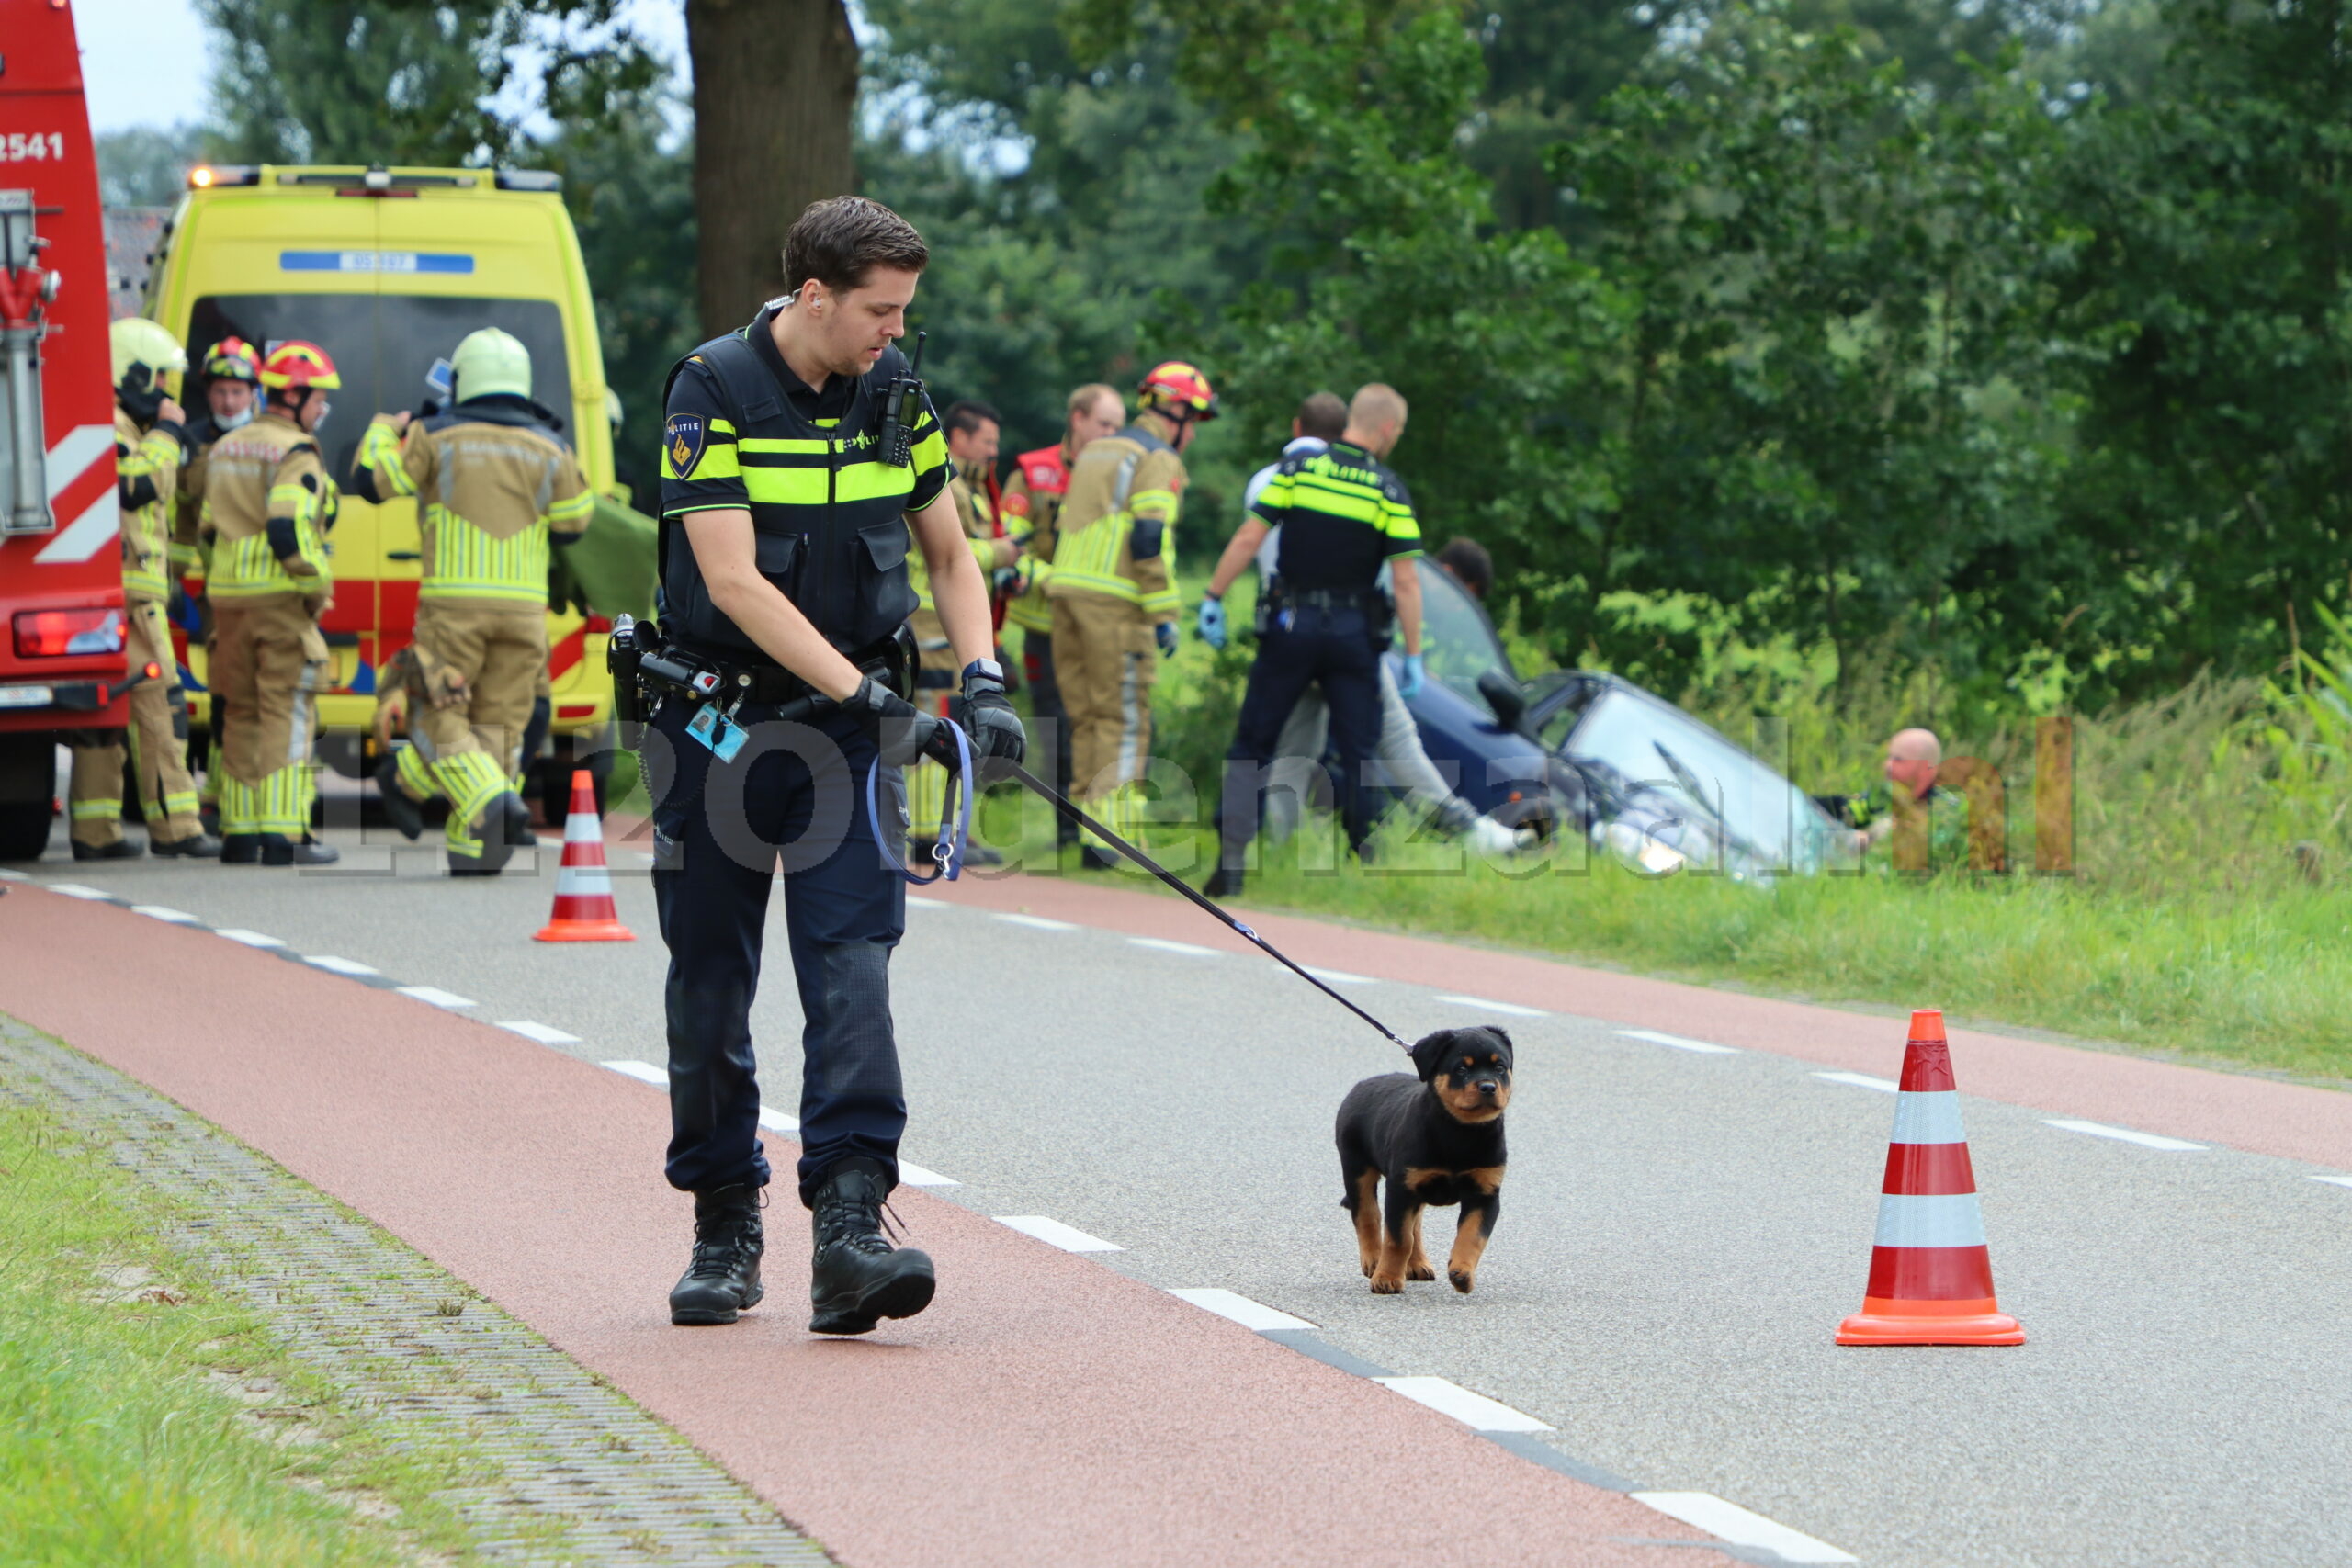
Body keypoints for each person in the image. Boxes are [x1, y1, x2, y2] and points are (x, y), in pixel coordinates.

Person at [647, 196, 1022, 1336]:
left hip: (850, 737)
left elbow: (950, 553)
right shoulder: (709, 390)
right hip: (719, 725)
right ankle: (724, 1221)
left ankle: (851, 1228)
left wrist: (985, 675)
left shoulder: (895, 397)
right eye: (878, 312)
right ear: (813, 295)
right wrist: (866, 695)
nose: (892, 335)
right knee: (712, 977)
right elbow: (732, 583)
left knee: (852, 966)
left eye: (904, 313)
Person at [351, 326, 594, 874]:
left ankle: (471, 798)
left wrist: (381, 433)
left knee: (435, 712)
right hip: (525, 610)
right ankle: (474, 849)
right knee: (498, 722)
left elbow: (373, 482)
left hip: (453, 605)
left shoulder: (434, 435)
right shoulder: (552, 446)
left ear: (463, 379)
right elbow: (576, 522)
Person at [1199, 384, 1424, 898]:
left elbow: (1249, 537)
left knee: (1253, 743)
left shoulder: (1297, 473)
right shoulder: (1387, 490)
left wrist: (1213, 595)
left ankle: (1230, 862)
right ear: (1387, 429)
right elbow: (1406, 582)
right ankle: (1363, 863)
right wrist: (1413, 654)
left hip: (1291, 627)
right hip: (1352, 636)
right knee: (1359, 749)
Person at [1046, 362, 1215, 869]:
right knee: (1123, 720)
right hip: (1117, 603)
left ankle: (1089, 834)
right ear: (1179, 411)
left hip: (1067, 596)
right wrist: (1164, 609)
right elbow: (1148, 536)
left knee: (1087, 720)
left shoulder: (1097, 448)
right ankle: (1114, 841)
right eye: (1197, 421)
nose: (1195, 435)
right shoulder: (1157, 458)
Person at [64, 320, 220, 861]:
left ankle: (97, 830)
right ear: (129, 374)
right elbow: (133, 488)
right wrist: (169, 433)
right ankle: (177, 828)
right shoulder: (112, 426)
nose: (166, 395)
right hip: (127, 594)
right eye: (157, 380)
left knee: (105, 709)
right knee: (158, 705)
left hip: (123, 591)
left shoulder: (117, 425)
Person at [191, 340, 343, 866]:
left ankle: (238, 833)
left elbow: (208, 531)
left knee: (239, 712)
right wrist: (314, 584)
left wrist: (221, 585)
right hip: (278, 599)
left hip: (228, 601)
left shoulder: (228, 446)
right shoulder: (296, 450)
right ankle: (282, 836)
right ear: (296, 396)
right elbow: (287, 525)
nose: (323, 409)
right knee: (287, 710)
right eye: (319, 398)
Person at [1000, 383, 1123, 838]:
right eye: (1104, 424)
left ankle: (1096, 824)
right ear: (1078, 420)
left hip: (1097, 625)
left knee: (1097, 723)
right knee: (1059, 723)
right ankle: (1066, 829)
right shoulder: (1033, 473)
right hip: (1046, 622)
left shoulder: (1121, 477)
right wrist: (1051, 579)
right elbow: (1011, 543)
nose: (1112, 434)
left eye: (1117, 426)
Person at [903, 399, 1018, 866]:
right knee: (938, 724)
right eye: (987, 442)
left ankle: (938, 828)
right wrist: (1002, 554)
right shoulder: (945, 483)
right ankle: (931, 833)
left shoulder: (961, 486)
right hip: (931, 623)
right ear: (961, 438)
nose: (993, 452)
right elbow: (957, 553)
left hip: (938, 623)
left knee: (943, 723)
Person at [176, 337, 265, 837]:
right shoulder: (191, 442)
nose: (228, 401)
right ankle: (216, 793)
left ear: (254, 392)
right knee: (225, 694)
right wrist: (174, 578)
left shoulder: (270, 439)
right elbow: (182, 517)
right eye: (219, 391)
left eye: (237, 391)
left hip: (266, 588)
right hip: (219, 591)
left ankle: (244, 793)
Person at [1842, 727, 1969, 867]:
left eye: (1898, 760)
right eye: (1888, 757)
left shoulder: (1948, 810)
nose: (1888, 766)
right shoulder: (1878, 798)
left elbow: (1939, 853)